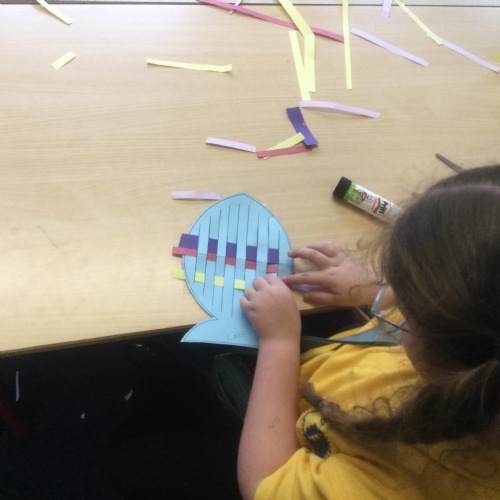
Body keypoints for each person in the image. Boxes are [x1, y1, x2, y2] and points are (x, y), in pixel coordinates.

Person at [238, 164, 500, 499]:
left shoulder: (400, 484)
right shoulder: (472, 346)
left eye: (405, 301)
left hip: (282, 411)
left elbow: (263, 483)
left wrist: (279, 343)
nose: (396, 302)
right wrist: (374, 289)